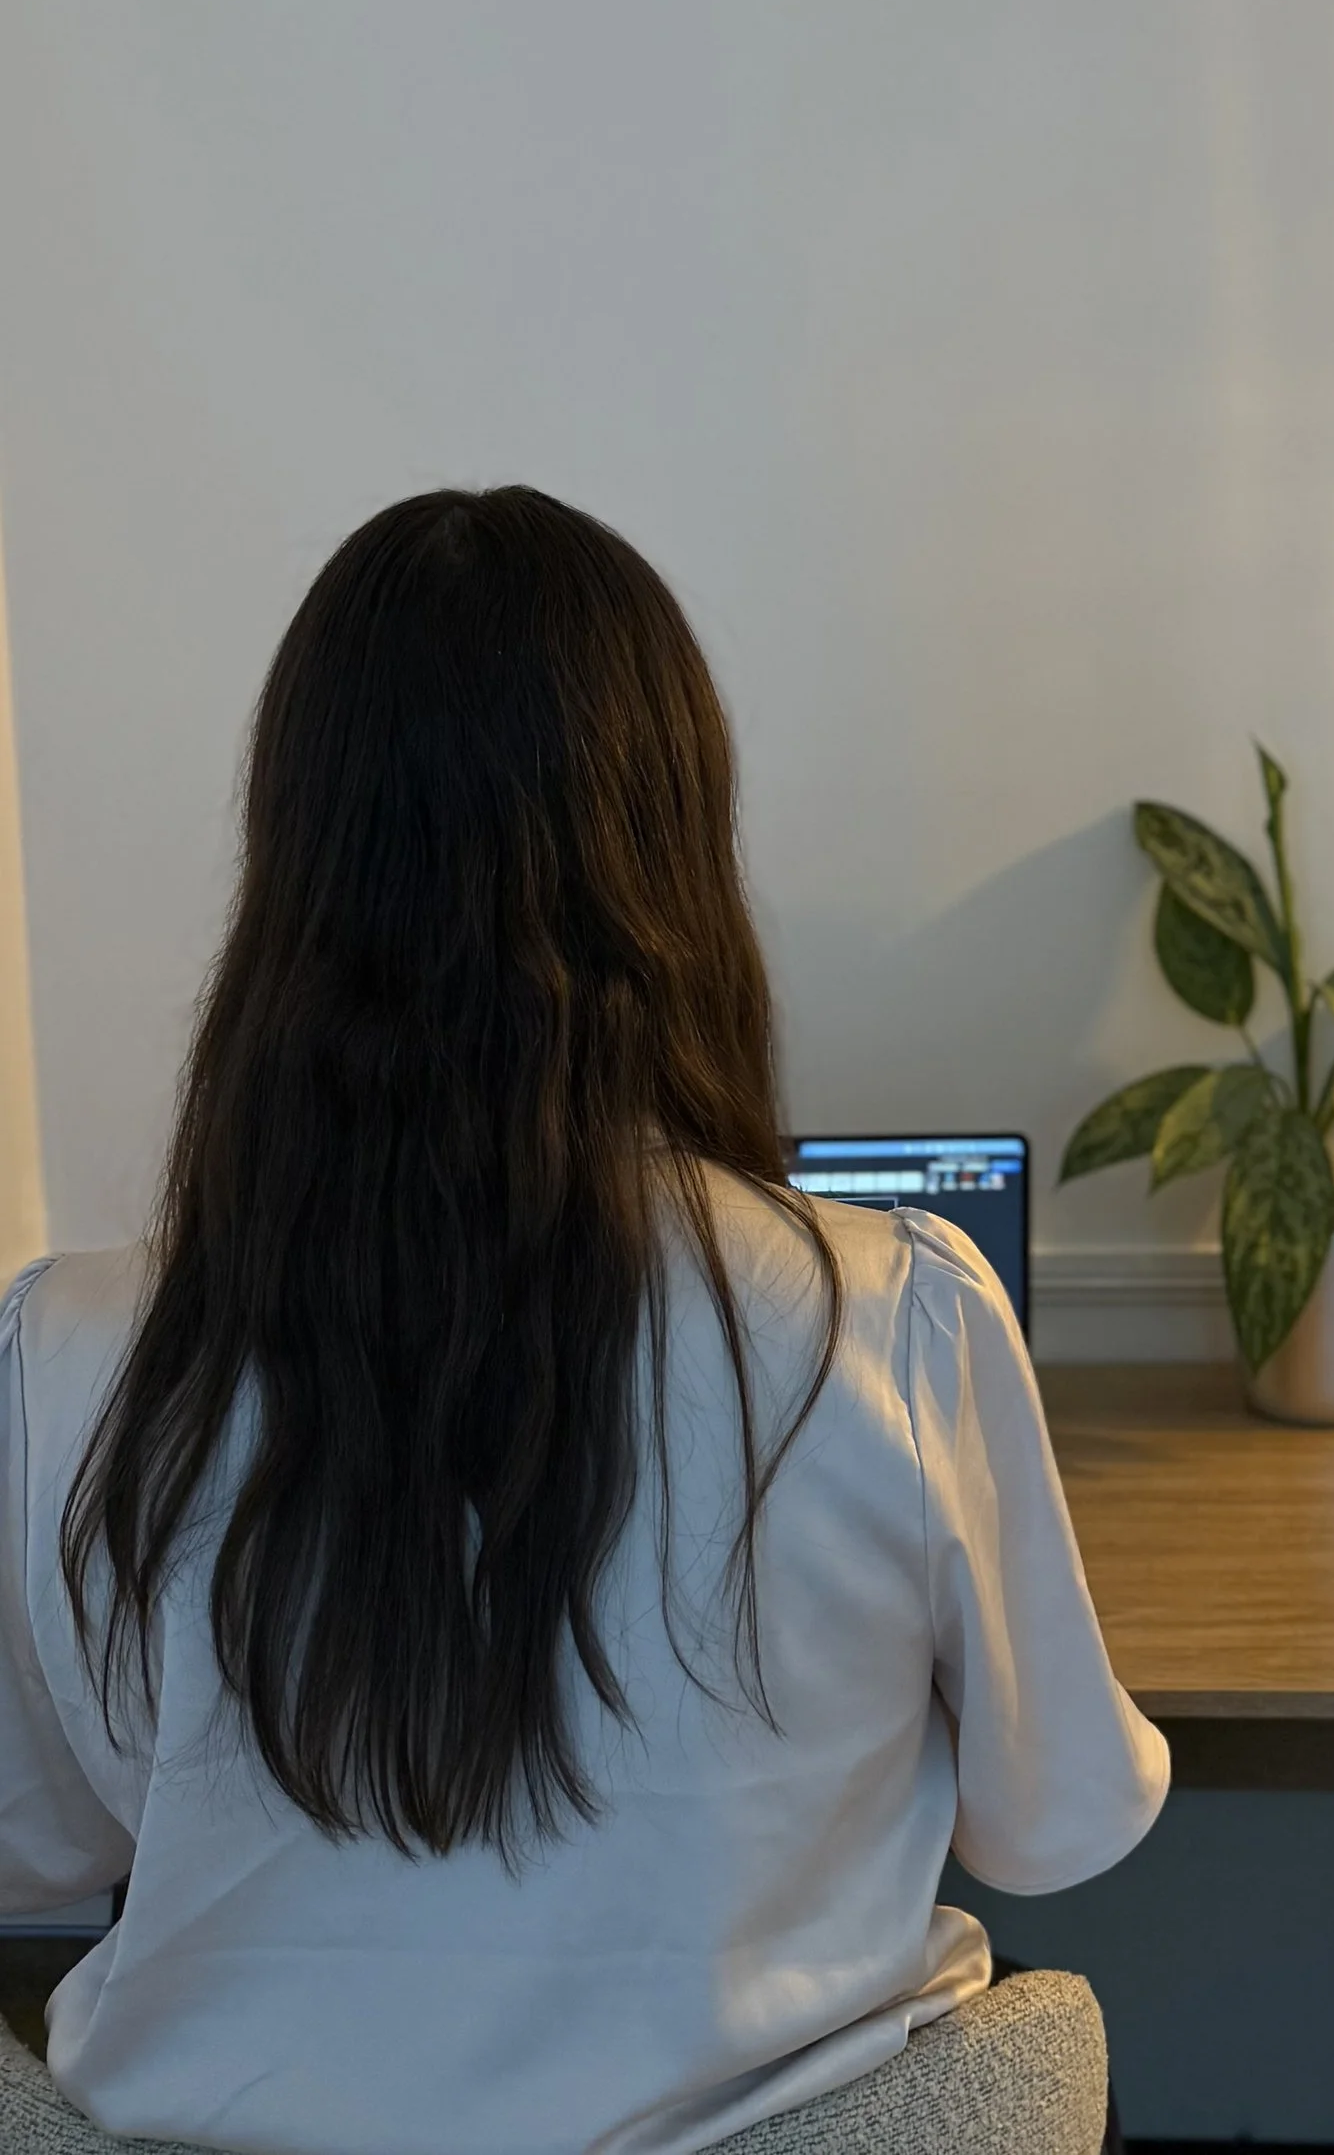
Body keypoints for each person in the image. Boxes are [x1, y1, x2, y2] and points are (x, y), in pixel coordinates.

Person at [0, 488, 1165, 2154]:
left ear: (297, 860)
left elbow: (33, 1857)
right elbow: (1051, 1826)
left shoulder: (66, 1356)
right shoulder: (890, 1322)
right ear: (676, 857)